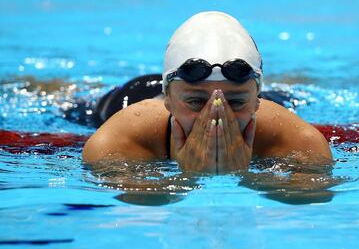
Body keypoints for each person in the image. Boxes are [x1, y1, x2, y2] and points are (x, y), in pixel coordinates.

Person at [82, 11, 332, 174]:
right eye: (195, 101)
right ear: (168, 100)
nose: (215, 114)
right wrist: (188, 175)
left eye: (235, 102)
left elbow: (314, 197)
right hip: (131, 97)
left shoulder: (297, 141)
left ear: (257, 100)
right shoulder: (119, 141)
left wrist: (242, 173)